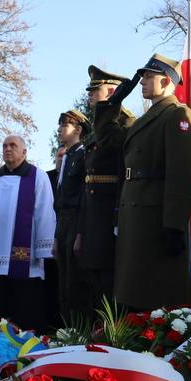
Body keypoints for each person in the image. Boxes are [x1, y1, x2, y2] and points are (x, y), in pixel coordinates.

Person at [115, 54, 191, 310]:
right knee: (134, 292)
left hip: (156, 218)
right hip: (137, 214)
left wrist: (175, 224)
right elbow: (109, 138)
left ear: (165, 82)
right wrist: (113, 102)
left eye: (148, 76)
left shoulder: (177, 115)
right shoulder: (145, 120)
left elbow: (183, 172)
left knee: (155, 294)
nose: (142, 81)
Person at [0, 134, 57, 331]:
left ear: (24, 152)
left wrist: (44, 249)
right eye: (5, 146)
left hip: (26, 259)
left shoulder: (37, 176)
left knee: (24, 306)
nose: (8, 149)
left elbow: (45, 213)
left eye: (13, 145)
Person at [76, 67, 137, 308]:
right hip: (92, 216)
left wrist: (118, 218)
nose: (90, 95)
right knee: (92, 282)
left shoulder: (126, 124)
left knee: (109, 283)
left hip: (111, 214)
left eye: (95, 90)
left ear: (112, 92)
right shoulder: (97, 131)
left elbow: (124, 174)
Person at [53, 109, 91, 324]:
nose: (60, 129)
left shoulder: (83, 155)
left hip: (76, 219)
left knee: (74, 284)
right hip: (63, 221)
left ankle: (78, 331)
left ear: (77, 129)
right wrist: (57, 235)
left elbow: (84, 198)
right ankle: (66, 328)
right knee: (63, 284)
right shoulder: (67, 156)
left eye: (64, 125)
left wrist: (79, 233)